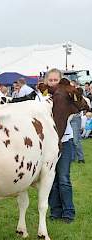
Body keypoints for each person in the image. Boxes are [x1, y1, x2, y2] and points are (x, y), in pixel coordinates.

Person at [46, 68, 75, 223]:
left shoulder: (68, 96)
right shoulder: (42, 97)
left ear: (61, 80)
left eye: (55, 80)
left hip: (64, 140)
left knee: (63, 178)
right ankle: (55, 211)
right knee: (51, 179)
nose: (52, 83)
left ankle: (68, 212)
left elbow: (71, 115)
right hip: (48, 144)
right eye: (50, 80)